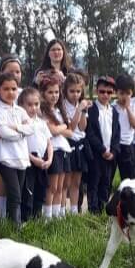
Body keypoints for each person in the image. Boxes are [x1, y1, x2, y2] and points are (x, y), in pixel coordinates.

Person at [0, 72, 33, 228]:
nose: (10, 92)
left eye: (13, 89)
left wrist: (16, 128)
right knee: (14, 195)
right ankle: (14, 227)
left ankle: (10, 225)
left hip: (21, 158)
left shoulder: (20, 110)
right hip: (5, 158)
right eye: (6, 89)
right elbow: (3, 133)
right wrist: (21, 133)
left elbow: (31, 128)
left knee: (17, 194)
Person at [86, 76, 120, 213]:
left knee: (106, 183)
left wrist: (113, 151)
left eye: (109, 92)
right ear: (96, 91)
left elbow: (117, 133)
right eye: (102, 91)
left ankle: (103, 208)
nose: (105, 95)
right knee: (94, 182)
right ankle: (93, 211)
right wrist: (101, 149)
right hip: (96, 154)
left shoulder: (114, 111)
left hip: (110, 155)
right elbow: (90, 133)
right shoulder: (91, 109)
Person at [39, 72, 70, 218]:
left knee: (60, 187)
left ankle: (56, 216)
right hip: (53, 150)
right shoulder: (43, 111)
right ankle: (47, 217)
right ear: (43, 93)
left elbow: (70, 131)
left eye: (56, 92)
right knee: (52, 187)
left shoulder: (58, 110)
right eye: (50, 92)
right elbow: (54, 131)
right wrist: (64, 126)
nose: (54, 95)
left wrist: (62, 127)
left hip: (63, 150)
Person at [19, 86, 52, 221]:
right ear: (21, 105)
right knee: (28, 193)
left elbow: (49, 143)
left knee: (40, 192)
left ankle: (37, 220)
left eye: (36, 104)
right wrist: (33, 159)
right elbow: (21, 146)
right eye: (29, 105)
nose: (33, 108)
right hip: (29, 162)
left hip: (42, 161)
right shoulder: (22, 123)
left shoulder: (42, 123)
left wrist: (49, 159)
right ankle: (26, 221)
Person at [60, 72, 89, 214]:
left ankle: (74, 211)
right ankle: (61, 211)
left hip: (80, 144)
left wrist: (83, 111)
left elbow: (83, 127)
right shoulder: (63, 105)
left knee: (77, 181)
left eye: (78, 91)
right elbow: (71, 126)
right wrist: (78, 110)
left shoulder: (81, 105)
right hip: (68, 143)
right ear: (65, 90)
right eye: (72, 91)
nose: (75, 94)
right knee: (66, 181)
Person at [113, 74, 135, 180]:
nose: (124, 97)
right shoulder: (112, 107)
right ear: (116, 92)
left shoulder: (134, 107)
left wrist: (128, 108)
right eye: (121, 93)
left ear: (132, 93)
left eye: (128, 93)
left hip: (127, 146)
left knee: (129, 178)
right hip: (114, 145)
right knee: (107, 177)